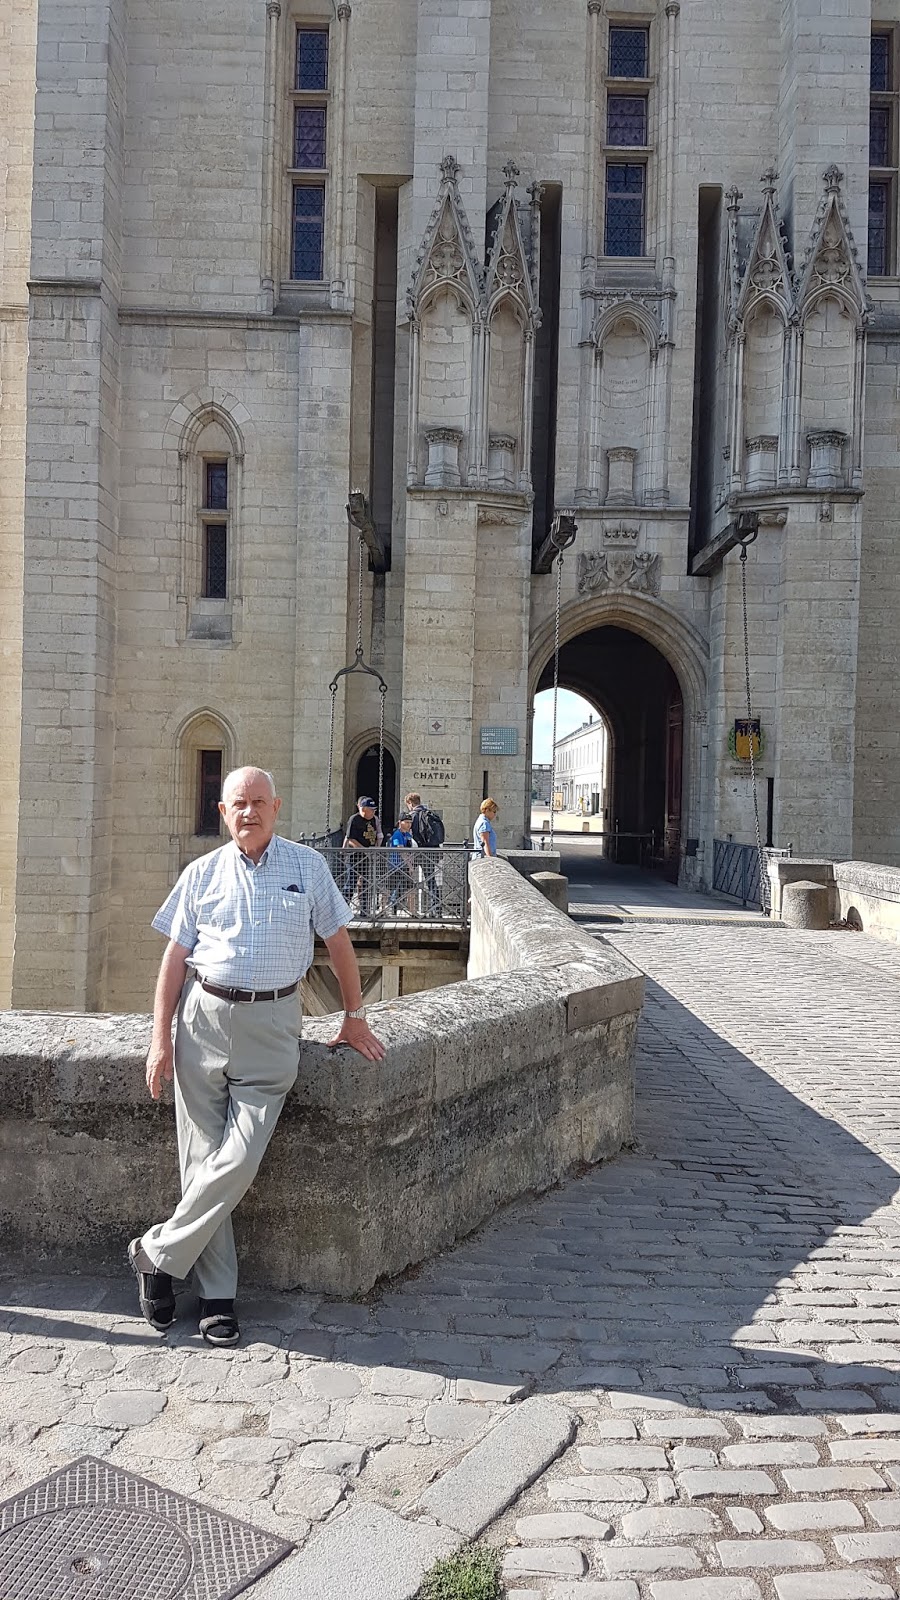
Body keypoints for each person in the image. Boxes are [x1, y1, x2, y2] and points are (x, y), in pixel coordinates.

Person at [130, 767, 385, 1348]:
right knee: (201, 1160)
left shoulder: (307, 866)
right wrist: (158, 1037)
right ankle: (217, 1295)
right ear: (223, 813)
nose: (249, 812)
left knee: (240, 1156)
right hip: (204, 1020)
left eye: (258, 803)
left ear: (276, 807)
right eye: (238, 804)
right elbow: (175, 959)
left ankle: (156, 1253)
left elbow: (339, 940)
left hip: (273, 1022)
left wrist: (354, 1014)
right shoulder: (201, 874)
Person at [405, 790, 443, 915]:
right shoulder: (429, 814)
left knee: (403, 876)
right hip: (431, 851)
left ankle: (394, 906)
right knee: (431, 880)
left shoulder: (412, 816)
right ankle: (436, 910)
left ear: (410, 803)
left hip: (417, 852)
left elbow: (410, 835)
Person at [343, 795, 378, 915]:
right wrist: (364, 849)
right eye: (371, 809)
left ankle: (365, 910)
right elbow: (350, 839)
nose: (374, 812)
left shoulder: (373, 819)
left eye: (374, 810)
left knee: (367, 884)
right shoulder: (354, 819)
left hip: (367, 857)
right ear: (363, 809)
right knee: (351, 883)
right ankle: (343, 910)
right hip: (355, 857)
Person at [387, 810, 416, 912]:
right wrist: (410, 866)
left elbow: (410, 850)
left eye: (410, 823)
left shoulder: (408, 835)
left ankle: (412, 911)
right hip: (395, 866)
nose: (409, 825)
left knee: (410, 888)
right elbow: (401, 850)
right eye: (407, 822)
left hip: (404, 866)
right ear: (400, 822)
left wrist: (410, 864)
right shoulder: (397, 834)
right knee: (389, 888)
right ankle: (385, 910)